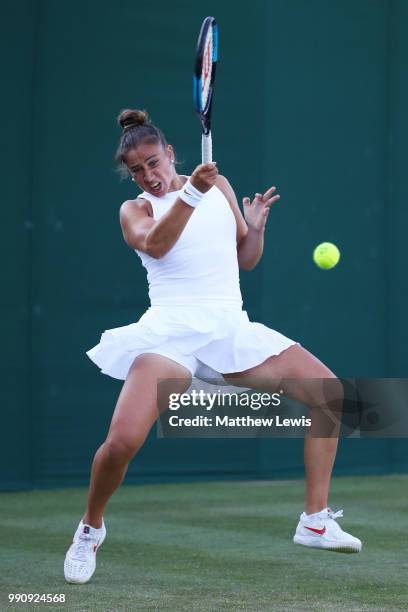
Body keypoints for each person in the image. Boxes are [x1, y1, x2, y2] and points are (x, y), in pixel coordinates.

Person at [64, 109, 362, 584]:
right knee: (120, 443)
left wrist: (255, 227)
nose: (149, 175)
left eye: (154, 162)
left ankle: (315, 520)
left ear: (171, 153)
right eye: (137, 170)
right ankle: (90, 527)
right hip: (169, 335)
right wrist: (191, 192)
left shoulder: (218, 186)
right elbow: (158, 246)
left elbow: (245, 259)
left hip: (228, 329)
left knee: (332, 394)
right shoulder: (135, 210)